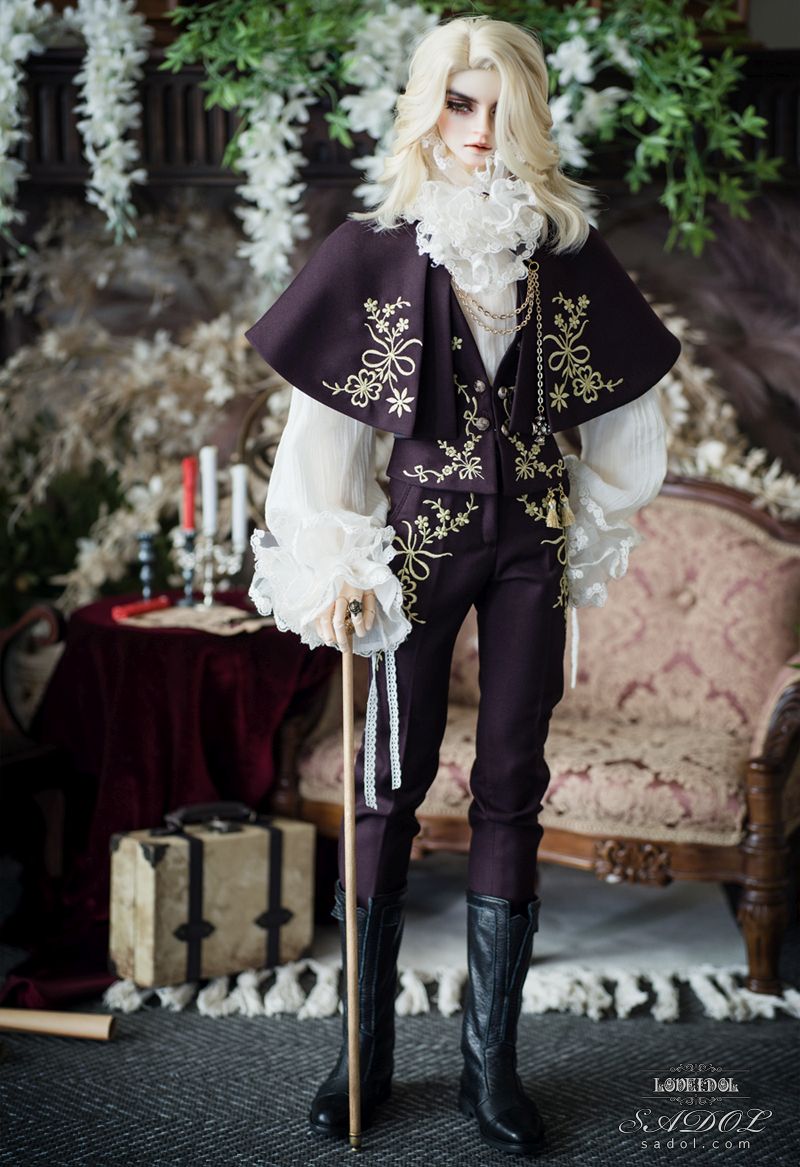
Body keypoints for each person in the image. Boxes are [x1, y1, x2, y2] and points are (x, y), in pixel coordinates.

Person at [245, 15, 680, 1158]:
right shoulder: (373, 254)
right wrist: (336, 554)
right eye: (458, 103)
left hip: (530, 543)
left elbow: (628, 421)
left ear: (529, 113)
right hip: (413, 547)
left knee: (510, 783)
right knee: (387, 782)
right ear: (426, 110)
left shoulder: (564, 252)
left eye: (500, 106)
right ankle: (364, 1054)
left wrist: (585, 518)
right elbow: (323, 435)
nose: (480, 129)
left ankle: (492, 1067)